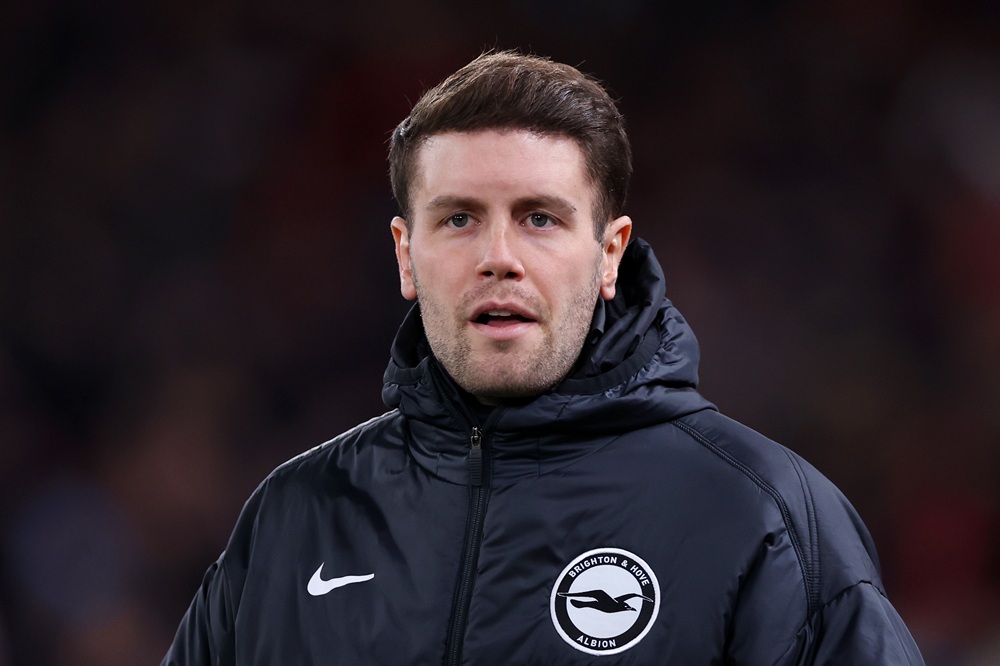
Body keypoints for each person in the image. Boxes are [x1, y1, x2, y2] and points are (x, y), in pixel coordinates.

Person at [163, 51, 924, 665]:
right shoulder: (296, 519)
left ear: (608, 255)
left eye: (540, 219)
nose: (499, 257)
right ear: (405, 254)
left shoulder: (766, 518)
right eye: (459, 218)